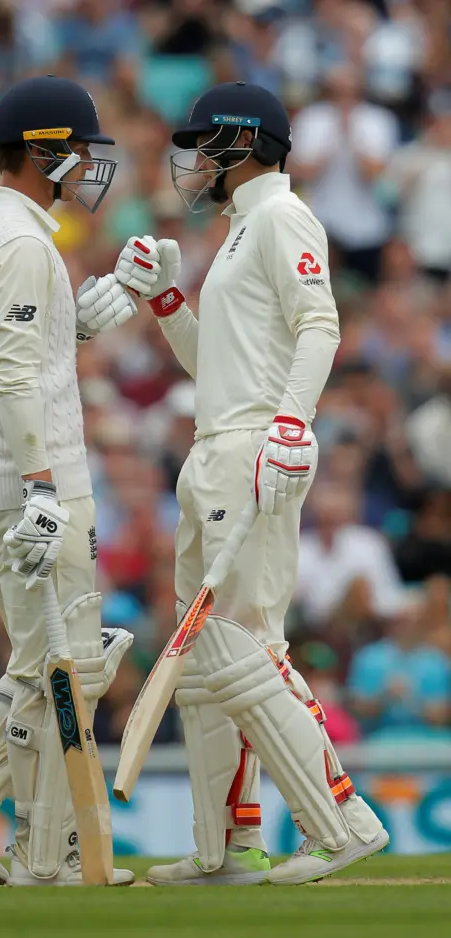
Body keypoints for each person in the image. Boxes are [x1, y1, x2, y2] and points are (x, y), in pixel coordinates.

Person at [114, 81, 388, 886]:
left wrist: (291, 426)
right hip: (216, 445)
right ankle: (227, 848)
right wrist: (167, 302)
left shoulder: (281, 217)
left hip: (256, 450)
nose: (193, 162)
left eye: (205, 145)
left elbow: (321, 324)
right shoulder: (238, 231)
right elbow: (216, 372)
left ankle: (341, 820)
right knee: (205, 662)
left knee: (251, 649)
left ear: (242, 144)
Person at [0, 75, 139, 887]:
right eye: (77, 151)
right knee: (69, 667)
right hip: (33, 480)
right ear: (43, 153)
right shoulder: (20, 241)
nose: (86, 166)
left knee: (47, 660)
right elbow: (12, 372)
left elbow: (25, 347)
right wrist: (44, 487)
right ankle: (47, 853)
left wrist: (90, 312)